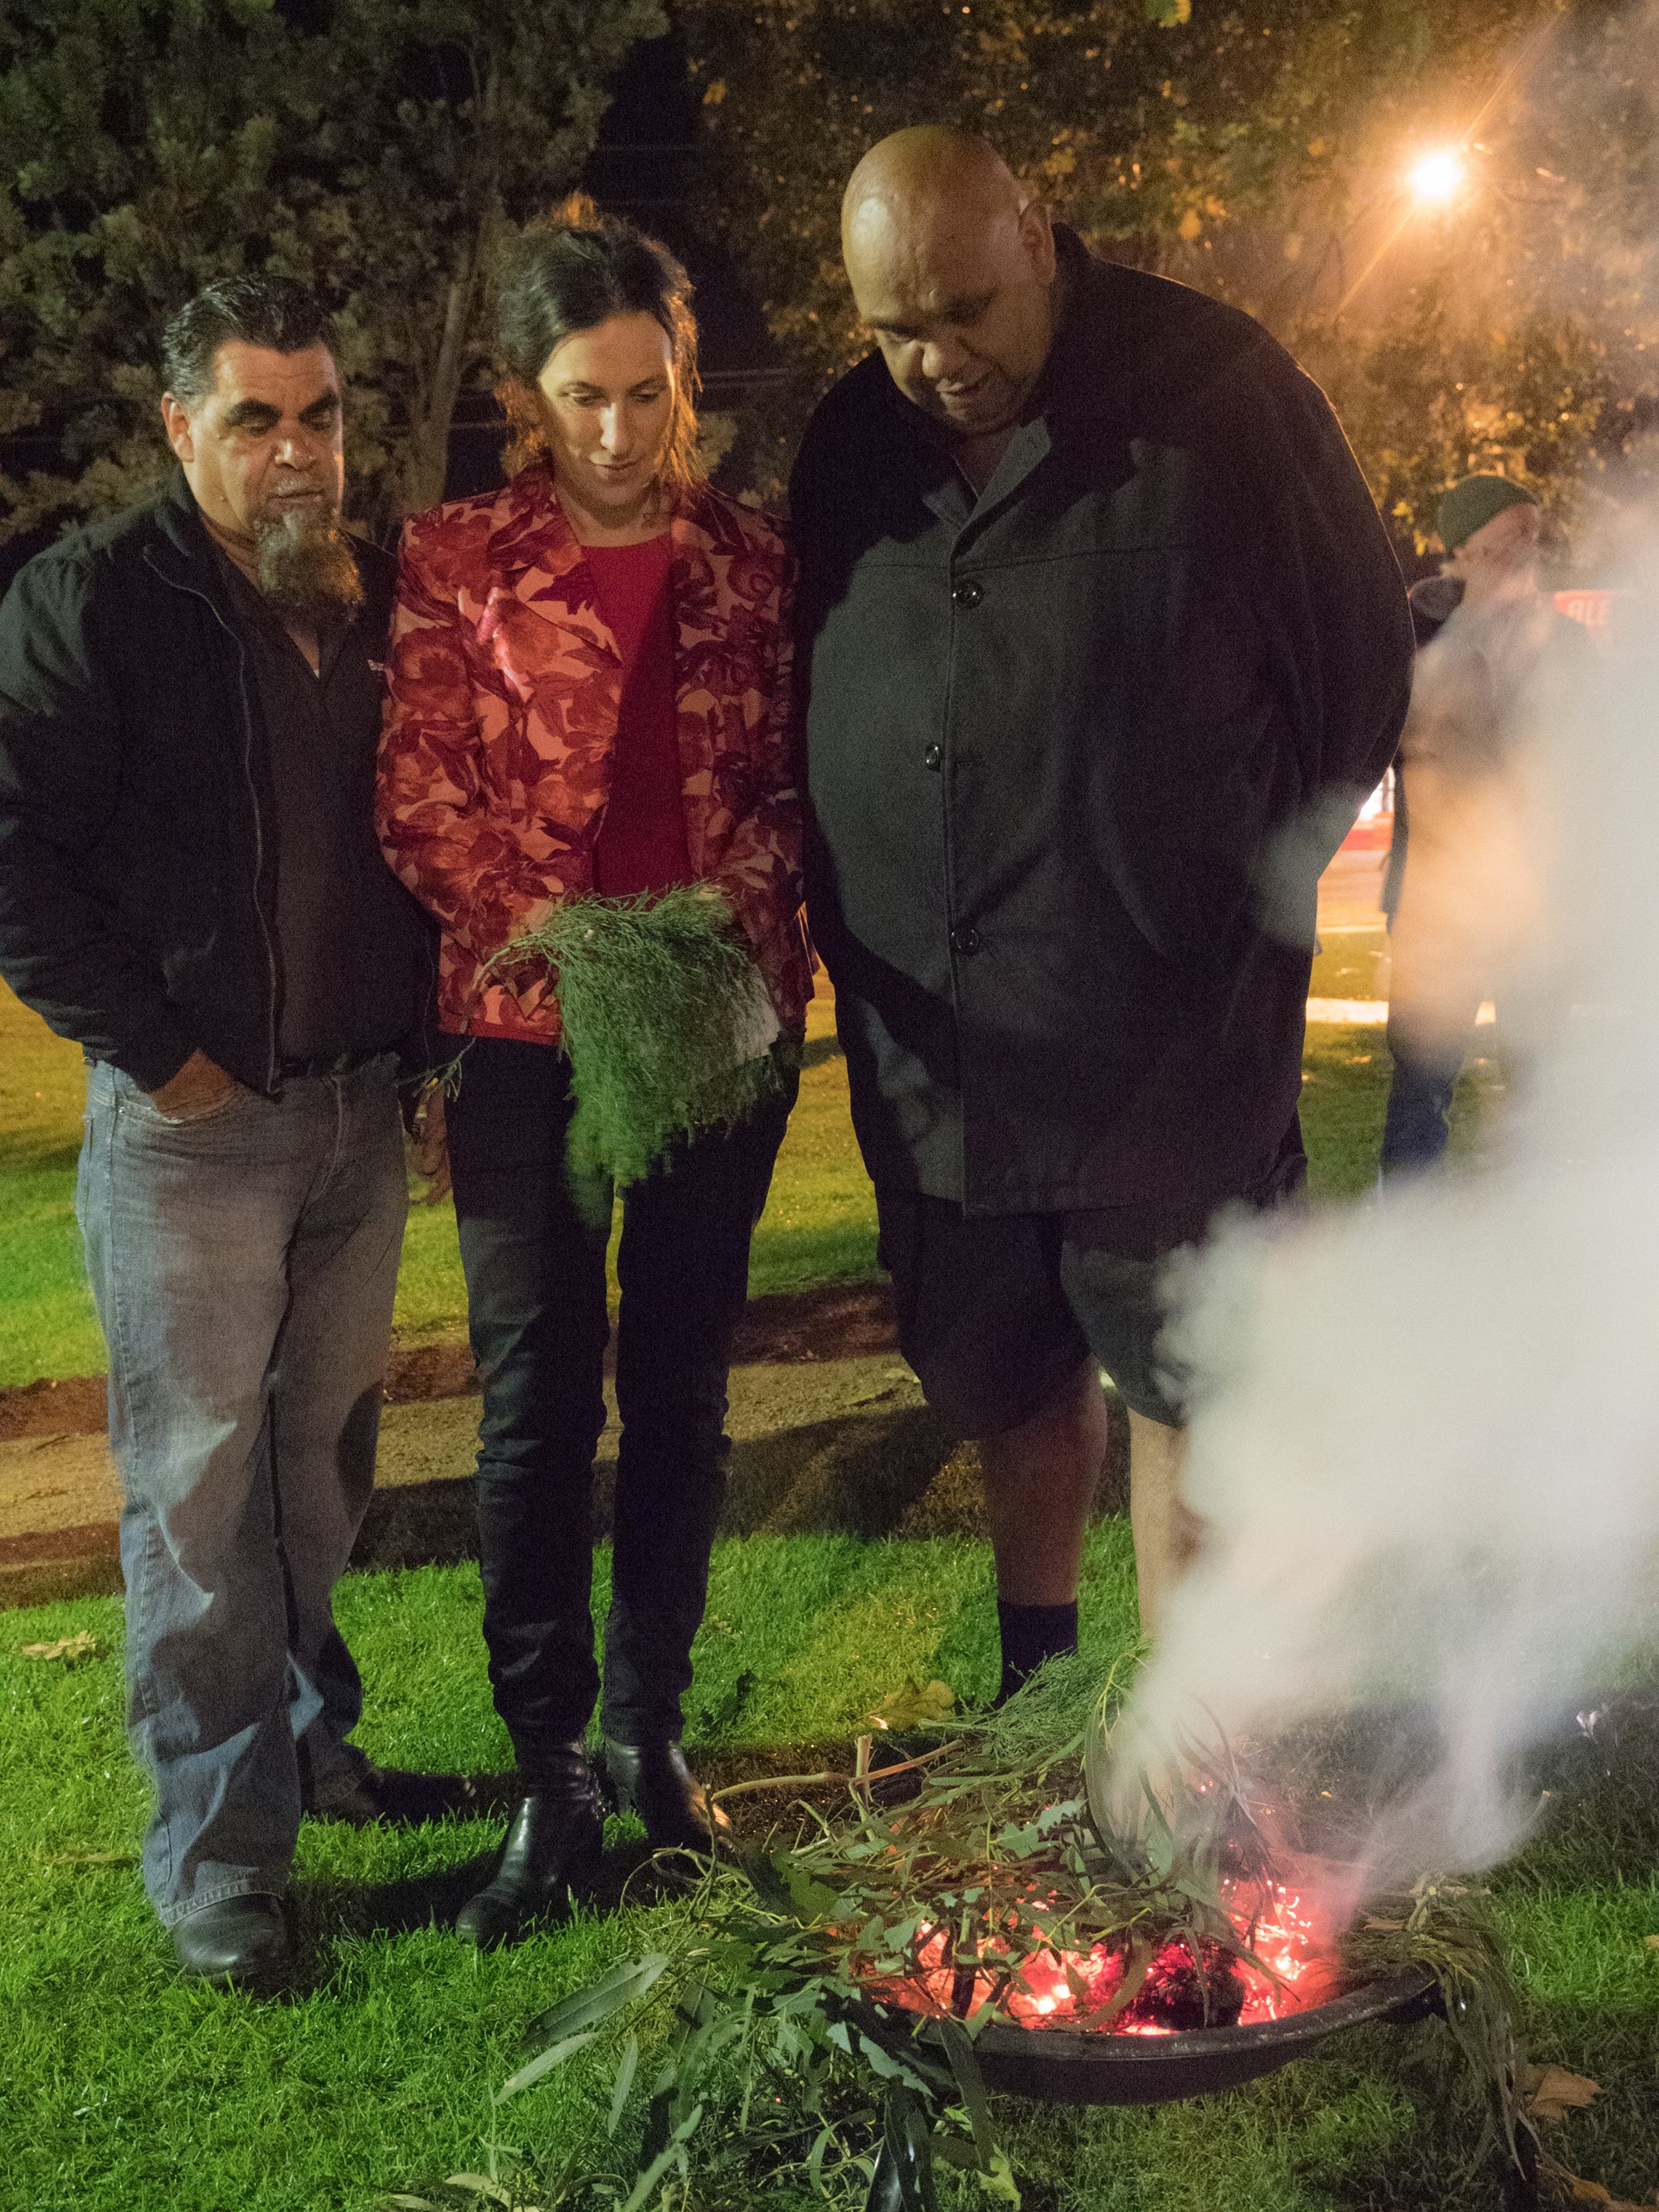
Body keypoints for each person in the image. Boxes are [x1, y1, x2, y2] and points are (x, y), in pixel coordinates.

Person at [791, 127, 1413, 1665]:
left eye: (966, 311)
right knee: (1009, 1374)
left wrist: (1223, 888)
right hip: (949, 1054)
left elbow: (1357, 671)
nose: (935, 360)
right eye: (894, 329)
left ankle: (1189, 1735)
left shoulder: (1223, 394)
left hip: (1167, 1035)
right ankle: (1039, 1692)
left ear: (1041, 236)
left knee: (1185, 1375)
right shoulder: (844, 445)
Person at [0, 276, 445, 1990]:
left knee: (319, 1478)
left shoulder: (375, 591)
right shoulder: (95, 602)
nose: (294, 451)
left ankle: (308, 1751)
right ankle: (214, 1859)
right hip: (196, 1133)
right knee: (195, 1500)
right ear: (179, 422)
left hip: (355, 1113)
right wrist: (159, 1048)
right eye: (253, 417)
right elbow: (14, 853)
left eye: (319, 415)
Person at [377, 197, 809, 1947]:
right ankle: (546, 1766)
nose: (620, 434)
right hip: (525, 1037)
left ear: (687, 380)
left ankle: (652, 1734)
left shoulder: (757, 563)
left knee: (687, 1391)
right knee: (538, 1399)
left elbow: (789, 789)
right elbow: (419, 795)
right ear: (525, 394)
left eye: (649, 393)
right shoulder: (457, 559)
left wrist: (733, 937)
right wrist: (570, 940)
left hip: (716, 1023)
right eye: (583, 397)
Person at [1380, 475, 1590, 1174]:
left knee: (1539, 1084)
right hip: (1435, 901)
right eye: (1505, 536)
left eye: (1531, 533)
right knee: (1422, 1084)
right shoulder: (1410, 636)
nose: (1523, 548)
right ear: (1463, 547)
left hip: (1538, 903)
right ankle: (1408, 1236)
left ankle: (1539, 1234)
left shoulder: (1566, 643)